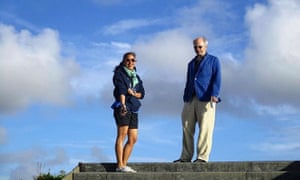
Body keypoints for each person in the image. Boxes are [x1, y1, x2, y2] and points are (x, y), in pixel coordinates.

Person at [174, 37, 221, 163]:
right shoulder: (190, 63)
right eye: (195, 47)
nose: (197, 49)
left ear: (205, 46)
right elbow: (189, 80)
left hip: (206, 98)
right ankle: (185, 157)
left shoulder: (213, 60)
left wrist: (215, 94)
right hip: (190, 98)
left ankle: (202, 157)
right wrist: (185, 96)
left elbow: (217, 78)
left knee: (205, 128)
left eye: (200, 46)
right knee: (186, 127)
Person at [111, 52, 145, 172]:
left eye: (133, 60)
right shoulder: (119, 74)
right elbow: (121, 90)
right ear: (124, 61)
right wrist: (123, 104)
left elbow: (142, 93)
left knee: (133, 138)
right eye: (128, 60)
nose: (130, 62)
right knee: (122, 135)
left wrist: (134, 94)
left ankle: (124, 164)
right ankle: (119, 165)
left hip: (134, 108)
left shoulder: (137, 77)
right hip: (123, 107)